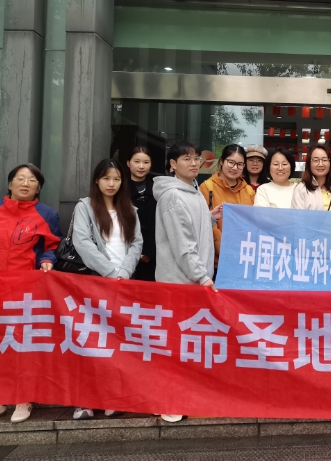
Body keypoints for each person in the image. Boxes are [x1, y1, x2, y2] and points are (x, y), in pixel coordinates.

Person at [0, 164, 61, 426]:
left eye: (32, 180)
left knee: (22, 344)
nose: (25, 183)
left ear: (38, 188)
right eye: (20, 178)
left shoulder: (46, 214)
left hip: (25, 289)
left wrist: (47, 261)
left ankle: (23, 398)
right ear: (10, 184)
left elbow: (52, 245)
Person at [153, 141, 222, 423]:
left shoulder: (192, 191)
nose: (193, 163)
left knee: (185, 344)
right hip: (178, 283)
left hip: (192, 282)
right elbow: (183, 244)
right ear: (172, 164)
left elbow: (191, 229)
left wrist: (210, 217)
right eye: (186, 159)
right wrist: (202, 276)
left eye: (196, 158)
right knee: (173, 345)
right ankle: (166, 401)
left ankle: (180, 396)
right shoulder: (172, 196)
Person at [71, 158, 143, 420]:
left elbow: (136, 243)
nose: (111, 183)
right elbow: (82, 242)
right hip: (94, 282)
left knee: (115, 343)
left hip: (123, 284)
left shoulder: (130, 209)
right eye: (106, 178)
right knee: (90, 341)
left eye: (116, 179)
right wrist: (111, 273)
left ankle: (113, 397)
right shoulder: (85, 207)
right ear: (96, 180)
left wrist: (123, 273)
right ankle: (85, 401)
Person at [199, 144, 255, 267]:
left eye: (240, 164)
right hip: (216, 261)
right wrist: (224, 249)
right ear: (221, 161)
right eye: (231, 162)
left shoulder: (249, 191)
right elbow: (206, 223)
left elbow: (252, 224)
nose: (235, 168)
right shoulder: (207, 187)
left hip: (243, 258)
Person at [127, 147, 157, 281]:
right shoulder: (120, 188)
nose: (141, 166)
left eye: (146, 162)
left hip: (152, 256)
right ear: (128, 163)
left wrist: (149, 251)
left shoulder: (157, 189)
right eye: (136, 161)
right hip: (125, 253)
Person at [292, 144, 331, 211]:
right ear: (309, 164)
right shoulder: (301, 189)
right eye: (316, 160)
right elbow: (297, 216)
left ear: (330, 163)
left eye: (324, 160)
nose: (320, 164)